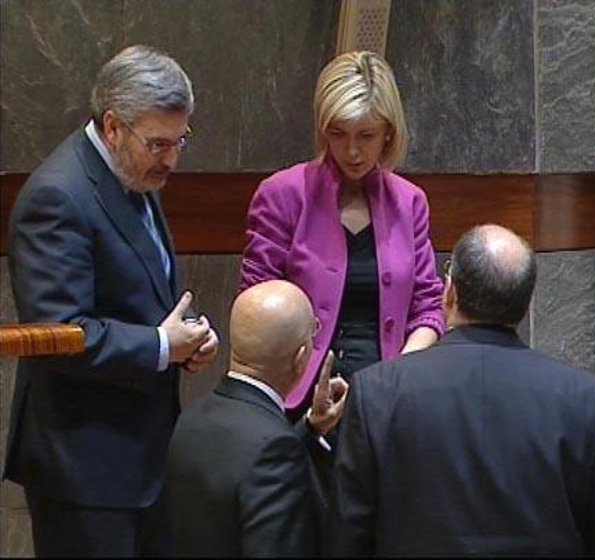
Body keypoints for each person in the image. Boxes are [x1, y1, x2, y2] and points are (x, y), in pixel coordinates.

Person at [3, 45, 219, 557]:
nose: (172, 159)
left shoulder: (134, 172)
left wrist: (187, 339)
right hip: (84, 468)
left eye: (180, 140)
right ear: (114, 127)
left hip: (144, 454)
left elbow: (139, 291)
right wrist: (161, 346)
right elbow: (61, 335)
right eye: (159, 144)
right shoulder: (57, 198)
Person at [332, 224, 595, 557]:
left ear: (449, 293)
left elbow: (348, 538)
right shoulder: (585, 399)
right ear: (527, 303)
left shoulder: (376, 392)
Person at [239, 51, 444, 420]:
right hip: (298, 399)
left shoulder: (409, 202)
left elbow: (428, 308)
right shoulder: (282, 195)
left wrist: (396, 376)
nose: (352, 151)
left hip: (387, 398)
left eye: (366, 135)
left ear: (388, 133)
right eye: (338, 134)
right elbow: (254, 305)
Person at [165, 279, 348, 557]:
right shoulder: (275, 448)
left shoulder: (191, 417)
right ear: (301, 357)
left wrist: (310, 427)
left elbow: (244, 463)